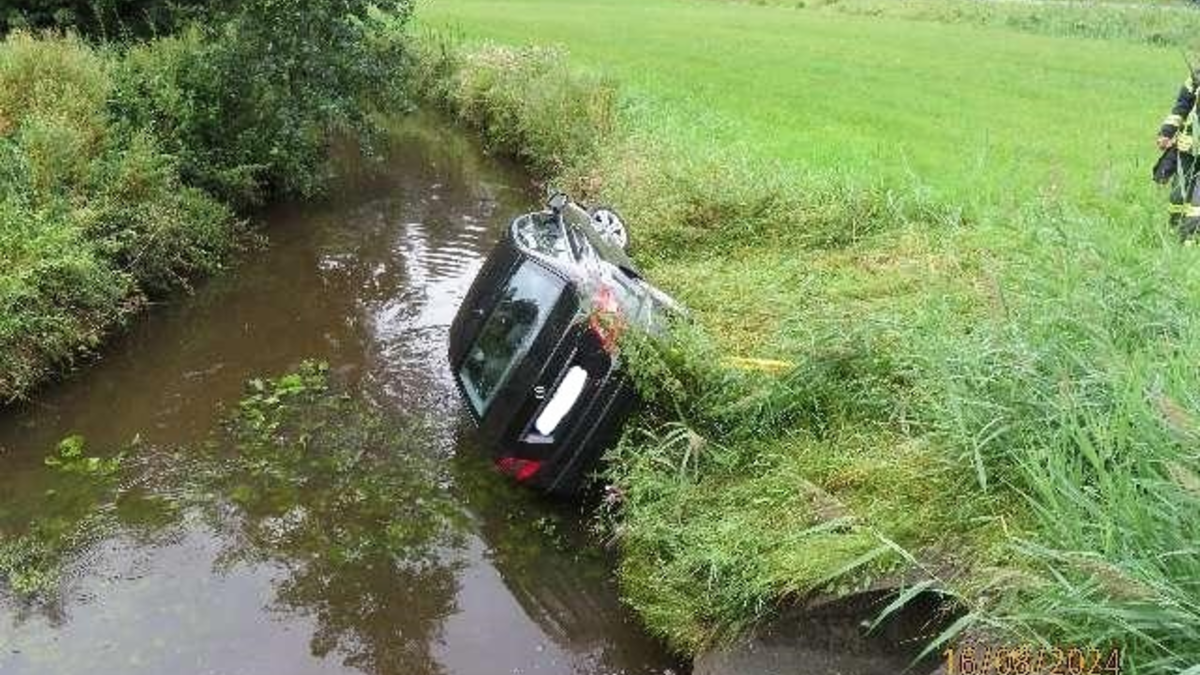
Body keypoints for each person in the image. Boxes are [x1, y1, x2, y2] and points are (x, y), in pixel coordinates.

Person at [1157, 72, 1200, 240]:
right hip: (1186, 149)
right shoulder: (1196, 76)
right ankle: (1174, 231)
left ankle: (1190, 236)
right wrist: (1166, 133)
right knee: (1177, 196)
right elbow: (1181, 107)